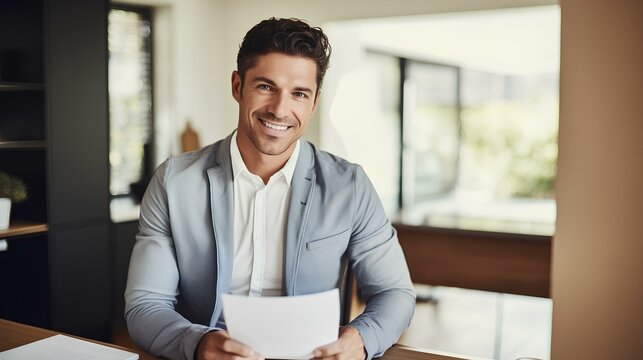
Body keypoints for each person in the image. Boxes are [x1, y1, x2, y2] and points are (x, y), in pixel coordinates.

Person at [125, 17, 416, 360]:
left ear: (314, 102)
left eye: (299, 94)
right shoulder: (174, 182)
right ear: (237, 86)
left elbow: (395, 292)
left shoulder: (349, 186)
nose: (280, 109)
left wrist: (362, 339)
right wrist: (198, 344)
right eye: (266, 86)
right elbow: (145, 304)